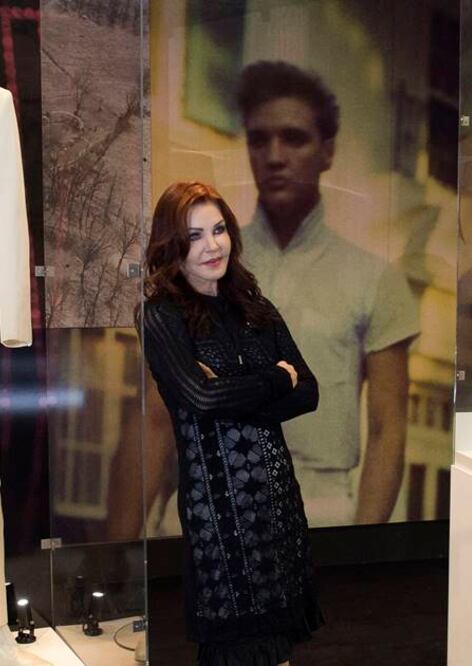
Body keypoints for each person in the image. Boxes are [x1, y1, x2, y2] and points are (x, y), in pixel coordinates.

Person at [141, 181, 323, 666]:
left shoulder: (253, 304)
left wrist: (234, 390)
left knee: (278, 644)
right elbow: (201, 399)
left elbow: (309, 391)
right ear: (172, 245)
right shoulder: (161, 316)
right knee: (238, 645)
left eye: (218, 230)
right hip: (219, 508)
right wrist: (274, 379)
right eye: (194, 236)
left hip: (277, 498)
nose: (212, 245)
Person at [234, 61, 420, 526]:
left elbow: (388, 431)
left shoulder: (374, 279)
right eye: (259, 140)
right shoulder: (207, 268)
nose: (274, 156)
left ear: (327, 151)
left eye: (294, 138)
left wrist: (361, 549)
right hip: (214, 495)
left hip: (321, 508)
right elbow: (155, 419)